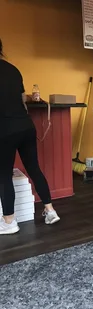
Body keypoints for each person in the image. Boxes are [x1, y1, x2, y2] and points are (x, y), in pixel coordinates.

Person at [0, 39, 60, 234]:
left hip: (5, 129)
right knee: (34, 168)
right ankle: (50, 210)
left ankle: (9, 222)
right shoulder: (13, 69)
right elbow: (23, 101)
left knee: (3, 175)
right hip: (26, 126)